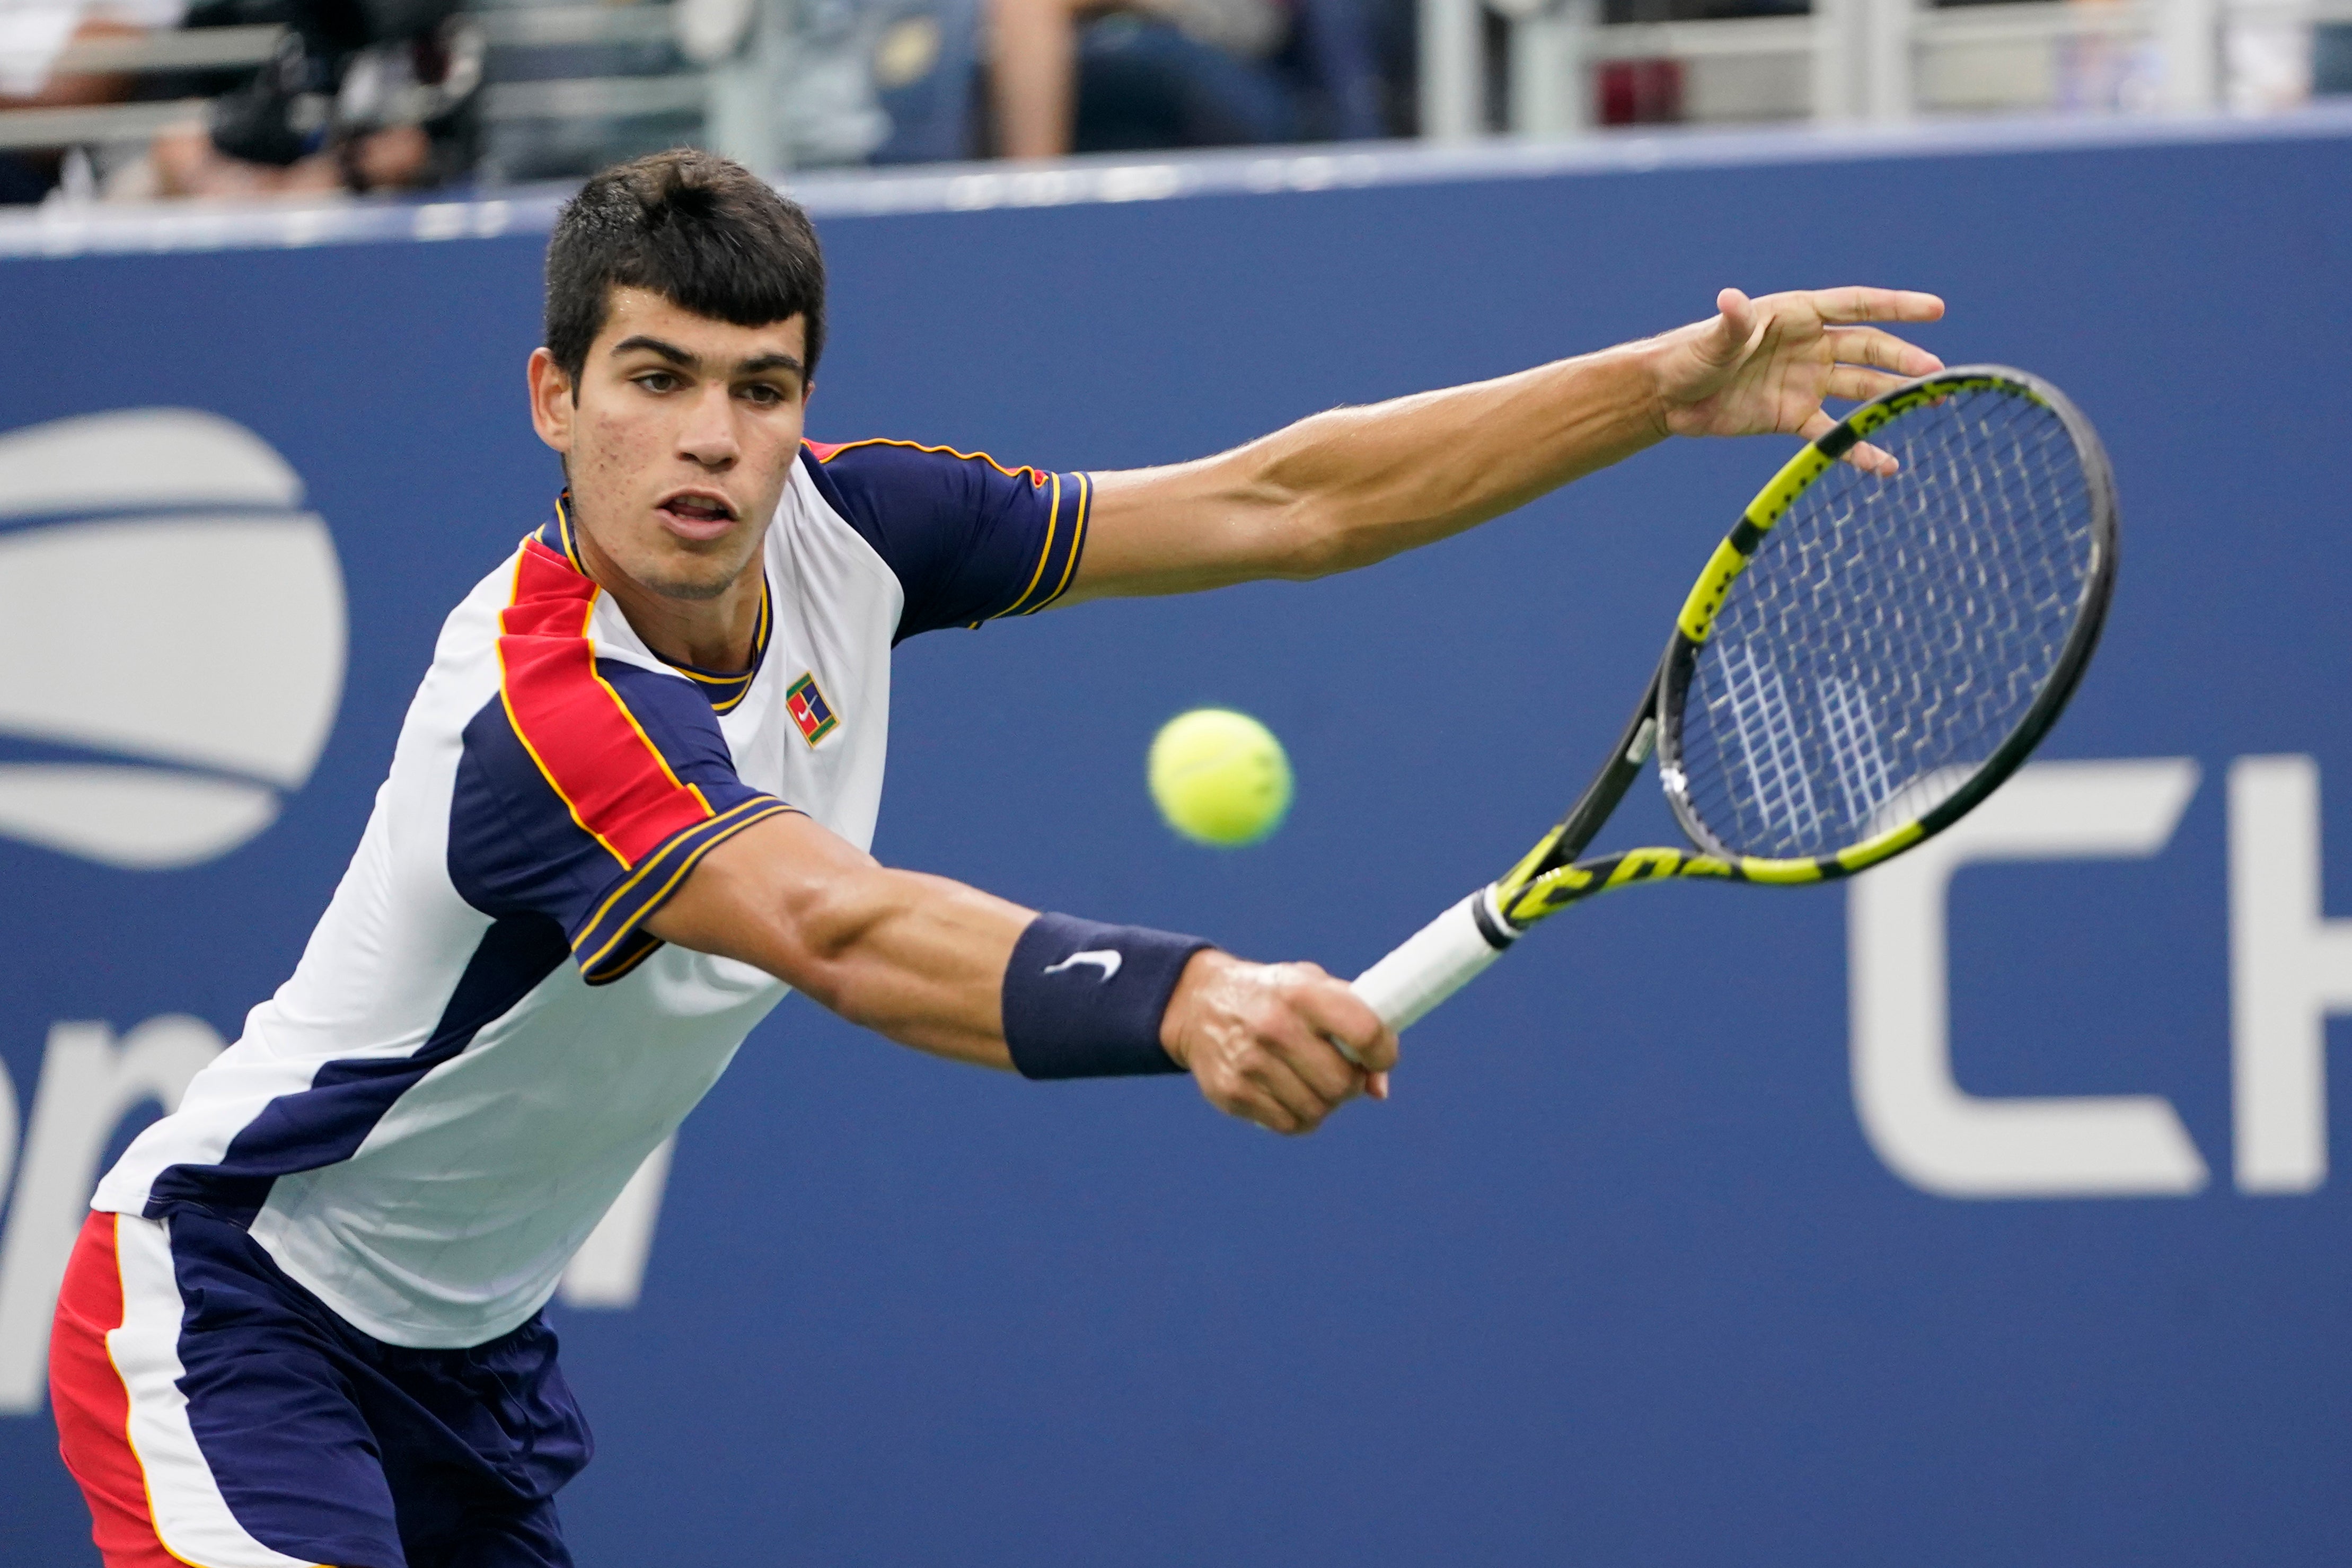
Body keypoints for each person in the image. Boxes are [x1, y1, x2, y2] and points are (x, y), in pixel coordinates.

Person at [45, 147, 1941, 1567]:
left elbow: (1285, 500)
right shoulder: (545, 715)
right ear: (557, 400)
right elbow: (841, 930)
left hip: (466, 1358)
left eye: (761, 387)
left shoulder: (855, 537)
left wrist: (1654, 393)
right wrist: (1184, 994)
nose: (711, 441)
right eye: (653, 380)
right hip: (237, 1308)